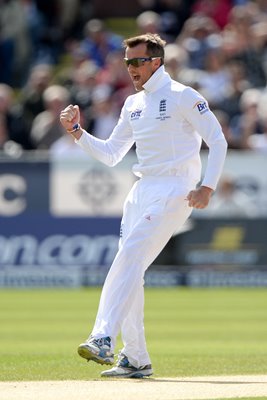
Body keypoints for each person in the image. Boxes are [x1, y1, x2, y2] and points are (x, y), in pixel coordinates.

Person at [60, 33, 227, 378]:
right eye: (127, 63)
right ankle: (135, 357)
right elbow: (111, 154)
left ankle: (102, 336)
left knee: (130, 255)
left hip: (176, 187)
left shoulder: (183, 96)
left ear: (156, 62)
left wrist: (207, 186)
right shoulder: (133, 104)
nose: (131, 69)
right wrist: (78, 131)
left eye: (137, 62)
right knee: (131, 269)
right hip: (141, 190)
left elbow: (218, 140)